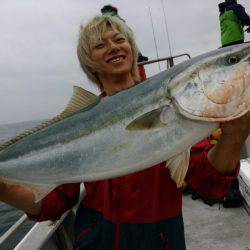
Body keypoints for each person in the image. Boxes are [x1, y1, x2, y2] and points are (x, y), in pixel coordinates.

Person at [0, 15, 249, 250]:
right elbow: (55, 203)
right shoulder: (83, 118)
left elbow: (209, 185)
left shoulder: (191, 118)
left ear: (131, 49)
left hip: (159, 238)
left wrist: (234, 136)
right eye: (100, 44)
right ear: (89, 61)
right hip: (97, 239)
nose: (113, 47)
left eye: (120, 40)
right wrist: (4, 189)